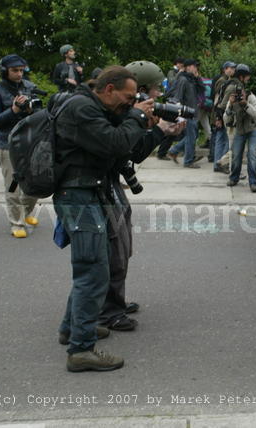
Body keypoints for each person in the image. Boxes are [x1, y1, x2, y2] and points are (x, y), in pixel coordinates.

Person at [53, 66, 157, 372]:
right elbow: (114, 143)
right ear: (109, 89)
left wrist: (151, 127)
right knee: (93, 271)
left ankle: (71, 328)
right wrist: (136, 116)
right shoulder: (82, 108)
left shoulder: (94, 107)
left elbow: (127, 149)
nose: (129, 103)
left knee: (92, 267)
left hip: (87, 194)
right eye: (127, 97)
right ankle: (81, 350)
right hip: (78, 197)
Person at [88, 60, 185, 332]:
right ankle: (108, 312)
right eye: (154, 90)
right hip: (96, 188)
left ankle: (112, 302)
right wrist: (148, 125)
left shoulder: (124, 112)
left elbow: (135, 152)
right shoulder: (113, 113)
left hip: (109, 184)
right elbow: (123, 147)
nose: (157, 97)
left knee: (121, 246)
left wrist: (159, 131)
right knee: (113, 250)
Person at [0, 54, 40, 238]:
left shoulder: (29, 87)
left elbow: (40, 113)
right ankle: (16, 222)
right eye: (14, 71)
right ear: (5, 71)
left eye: (21, 70)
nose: (19, 74)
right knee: (13, 186)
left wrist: (33, 110)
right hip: (7, 143)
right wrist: (13, 110)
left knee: (35, 182)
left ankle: (26, 212)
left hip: (29, 142)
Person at [224, 64, 256, 192]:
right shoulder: (232, 100)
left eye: (242, 92)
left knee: (252, 155)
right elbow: (226, 119)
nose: (240, 94)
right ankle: (234, 178)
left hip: (252, 129)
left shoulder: (250, 97)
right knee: (236, 155)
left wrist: (246, 105)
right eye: (238, 92)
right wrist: (230, 107)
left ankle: (253, 182)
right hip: (240, 130)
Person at [166, 59, 204, 168]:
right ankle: (188, 161)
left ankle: (174, 151)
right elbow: (177, 97)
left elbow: (202, 90)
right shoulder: (183, 79)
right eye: (194, 66)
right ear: (187, 67)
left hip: (193, 112)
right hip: (187, 113)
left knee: (193, 135)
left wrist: (198, 78)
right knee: (191, 137)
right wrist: (181, 115)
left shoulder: (192, 79)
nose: (196, 68)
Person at [212, 61, 238, 173]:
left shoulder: (226, 80)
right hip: (220, 112)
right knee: (221, 139)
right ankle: (219, 164)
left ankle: (218, 163)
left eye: (233, 68)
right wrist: (218, 117)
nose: (233, 70)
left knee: (221, 139)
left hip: (220, 112)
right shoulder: (222, 81)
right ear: (225, 69)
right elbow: (218, 99)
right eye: (230, 68)